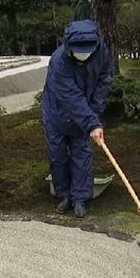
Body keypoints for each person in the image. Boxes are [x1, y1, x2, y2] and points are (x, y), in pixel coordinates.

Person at [41, 19, 113, 219]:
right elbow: (69, 96)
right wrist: (91, 122)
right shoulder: (58, 61)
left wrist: (94, 114)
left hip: (85, 112)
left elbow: (104, 79)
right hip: (56, 112)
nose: (84, 54)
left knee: (82, 155)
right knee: (58, 155)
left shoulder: (101, 52)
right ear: (68, 46)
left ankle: (80, 198)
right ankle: (64, 195)